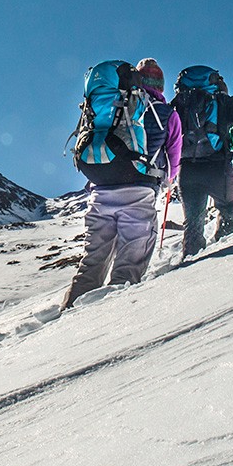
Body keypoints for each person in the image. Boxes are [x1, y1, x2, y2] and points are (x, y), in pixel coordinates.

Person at [63, 58, 181, 308]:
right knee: (128, 267)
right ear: (160, 85)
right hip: (138, 192)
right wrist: (168, 181)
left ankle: (69, 311)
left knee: (92, 261)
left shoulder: (111, 103)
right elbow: (174, 156)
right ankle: (112, 330)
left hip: (99, 191)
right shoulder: (165, 113)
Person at [171, 66, 233, 257]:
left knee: (192, 221)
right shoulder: (222, 101)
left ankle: (190, 259)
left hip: (187, 169)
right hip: (218, 167)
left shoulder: (178, 103)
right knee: (228, 208)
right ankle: (223, 254)